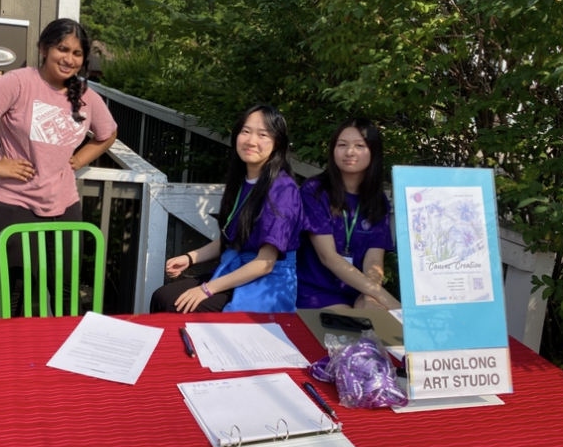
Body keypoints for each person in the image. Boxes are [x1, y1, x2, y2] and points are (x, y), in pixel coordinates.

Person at [0, 18, 117, 317]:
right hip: (15, 201)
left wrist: (78, 160)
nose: (69, 59)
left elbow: (107, 134)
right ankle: (3, 358)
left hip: (64, 202)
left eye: (77, 53)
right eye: (62, 49)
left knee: (66, 287)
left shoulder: (87, 96)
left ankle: (67, 355)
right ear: (43, 48)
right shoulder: (19, 82)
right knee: (16, 288)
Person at [150, 104, 303, 314]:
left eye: (263, 134)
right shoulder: (244, 181)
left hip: (266, 283)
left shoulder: (282, 189)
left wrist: (207, 289)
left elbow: (265, 263)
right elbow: (231, 239)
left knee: (172, 304)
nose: (251, 141)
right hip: (238, 269)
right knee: (163, 297)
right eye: (246, 131)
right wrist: (190, 257)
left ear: (277, 143)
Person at [296, 118, 401, 310]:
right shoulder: (315, 191)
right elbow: (328, 257)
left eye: (360, 145)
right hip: (316, 293)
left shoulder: (378, 201)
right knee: (355, 329)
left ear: (373, 152)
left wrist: (371, 296)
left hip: (358, 290)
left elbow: (374, 261)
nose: (349, 152)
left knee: (380, 319)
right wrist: (386, 298)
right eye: (342, 145)